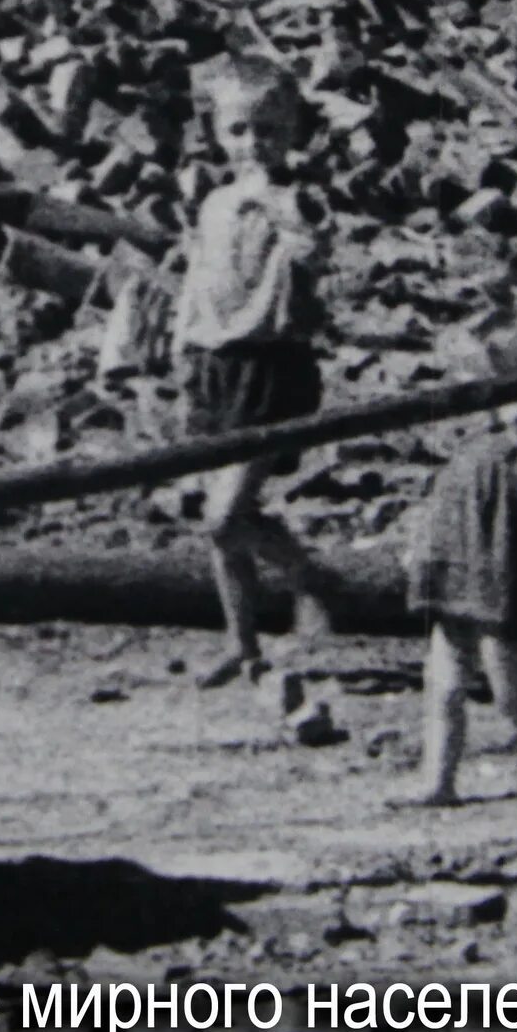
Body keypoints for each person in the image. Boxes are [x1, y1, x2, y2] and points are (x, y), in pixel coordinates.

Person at [169, 54, 341, 688]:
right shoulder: (214, 202)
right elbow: (199, 275)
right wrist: (184, 341)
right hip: (214, 360)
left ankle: (308, 576)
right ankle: (242, 642)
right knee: (219, 527)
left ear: (293, 130)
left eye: (269, 130)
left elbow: (316, 251)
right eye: (240, 131)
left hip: (269, 364)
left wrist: (281, 207)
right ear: (218, 132)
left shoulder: (293, 200)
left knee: (225, 513)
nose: (254, 144)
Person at [395, 383, 517, 808]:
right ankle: (438, 780)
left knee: (513, 695)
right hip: (457, 582)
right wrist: (424, 553)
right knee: (443, 683)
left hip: (505, 591)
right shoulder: (473, 448)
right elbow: (445, 507)